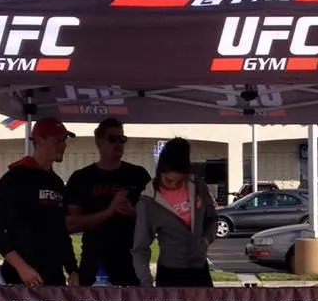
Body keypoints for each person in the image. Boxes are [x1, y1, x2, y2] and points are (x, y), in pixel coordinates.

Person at [0, 118, 80, 287]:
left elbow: (61, 231)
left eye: (64, 140)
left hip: (53, 276)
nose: (64, 145)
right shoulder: (15, 178)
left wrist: (72, 269)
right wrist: (22, 268)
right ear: (39, 140)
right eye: (58, 141)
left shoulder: (56, 182)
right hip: (21, 278)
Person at [65, 118, 151, 286]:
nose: (118, 144)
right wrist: (108, 212)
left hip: (131, 263)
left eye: (122, 139)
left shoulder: (138, 175)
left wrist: (133, 212)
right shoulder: (81, 178)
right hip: (94, 264)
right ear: (98, 142)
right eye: (112, 139)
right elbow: (70, 224)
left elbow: (154, 219)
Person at [132, 138, 218, 288]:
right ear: (159, 172)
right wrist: (146, 283)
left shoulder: (198, 186)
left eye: (179, 181)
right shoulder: (148, 201)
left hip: (200, 269)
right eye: (168, 180)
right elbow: (140, 248)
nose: (173, 185)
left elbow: (212, 219)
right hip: (170, 272)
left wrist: (205, 240)